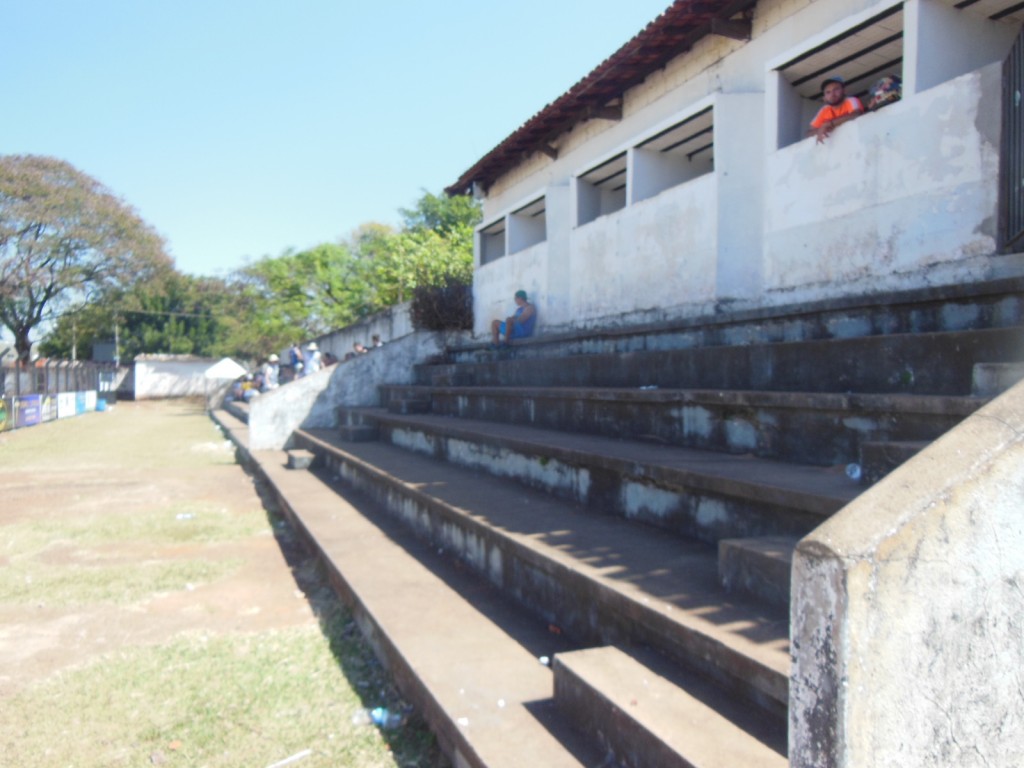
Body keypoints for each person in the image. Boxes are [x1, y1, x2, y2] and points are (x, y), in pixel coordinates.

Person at [808, 75, 863, 144]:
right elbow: (809, 133)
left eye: (836, 89)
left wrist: (830, 124)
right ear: (824, 98)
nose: (832, 94)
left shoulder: (851, 100)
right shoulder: (824, 110)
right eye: (828, 92)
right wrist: (821, 129)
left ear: (844, 91)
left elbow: (856, 114)